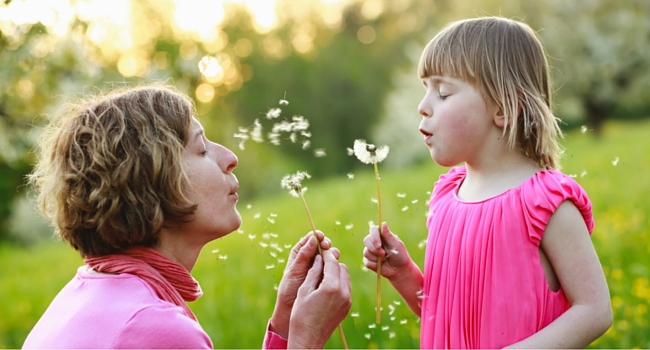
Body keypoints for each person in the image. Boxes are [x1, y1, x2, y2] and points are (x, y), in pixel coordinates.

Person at [23, 83, 351, 349]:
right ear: (154, 180)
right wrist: (306, 339)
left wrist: (285, 328)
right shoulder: (153, 328)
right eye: (202, 150)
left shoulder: (80, 300)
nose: (231, 157)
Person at [362, 17, 612, 348]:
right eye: (425, 91)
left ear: (504, 109)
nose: (423, 107)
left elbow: (594, 310)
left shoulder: (544, 202)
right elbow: (445, 317)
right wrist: (403, 274)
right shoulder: (446, 198)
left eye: (444, 93)